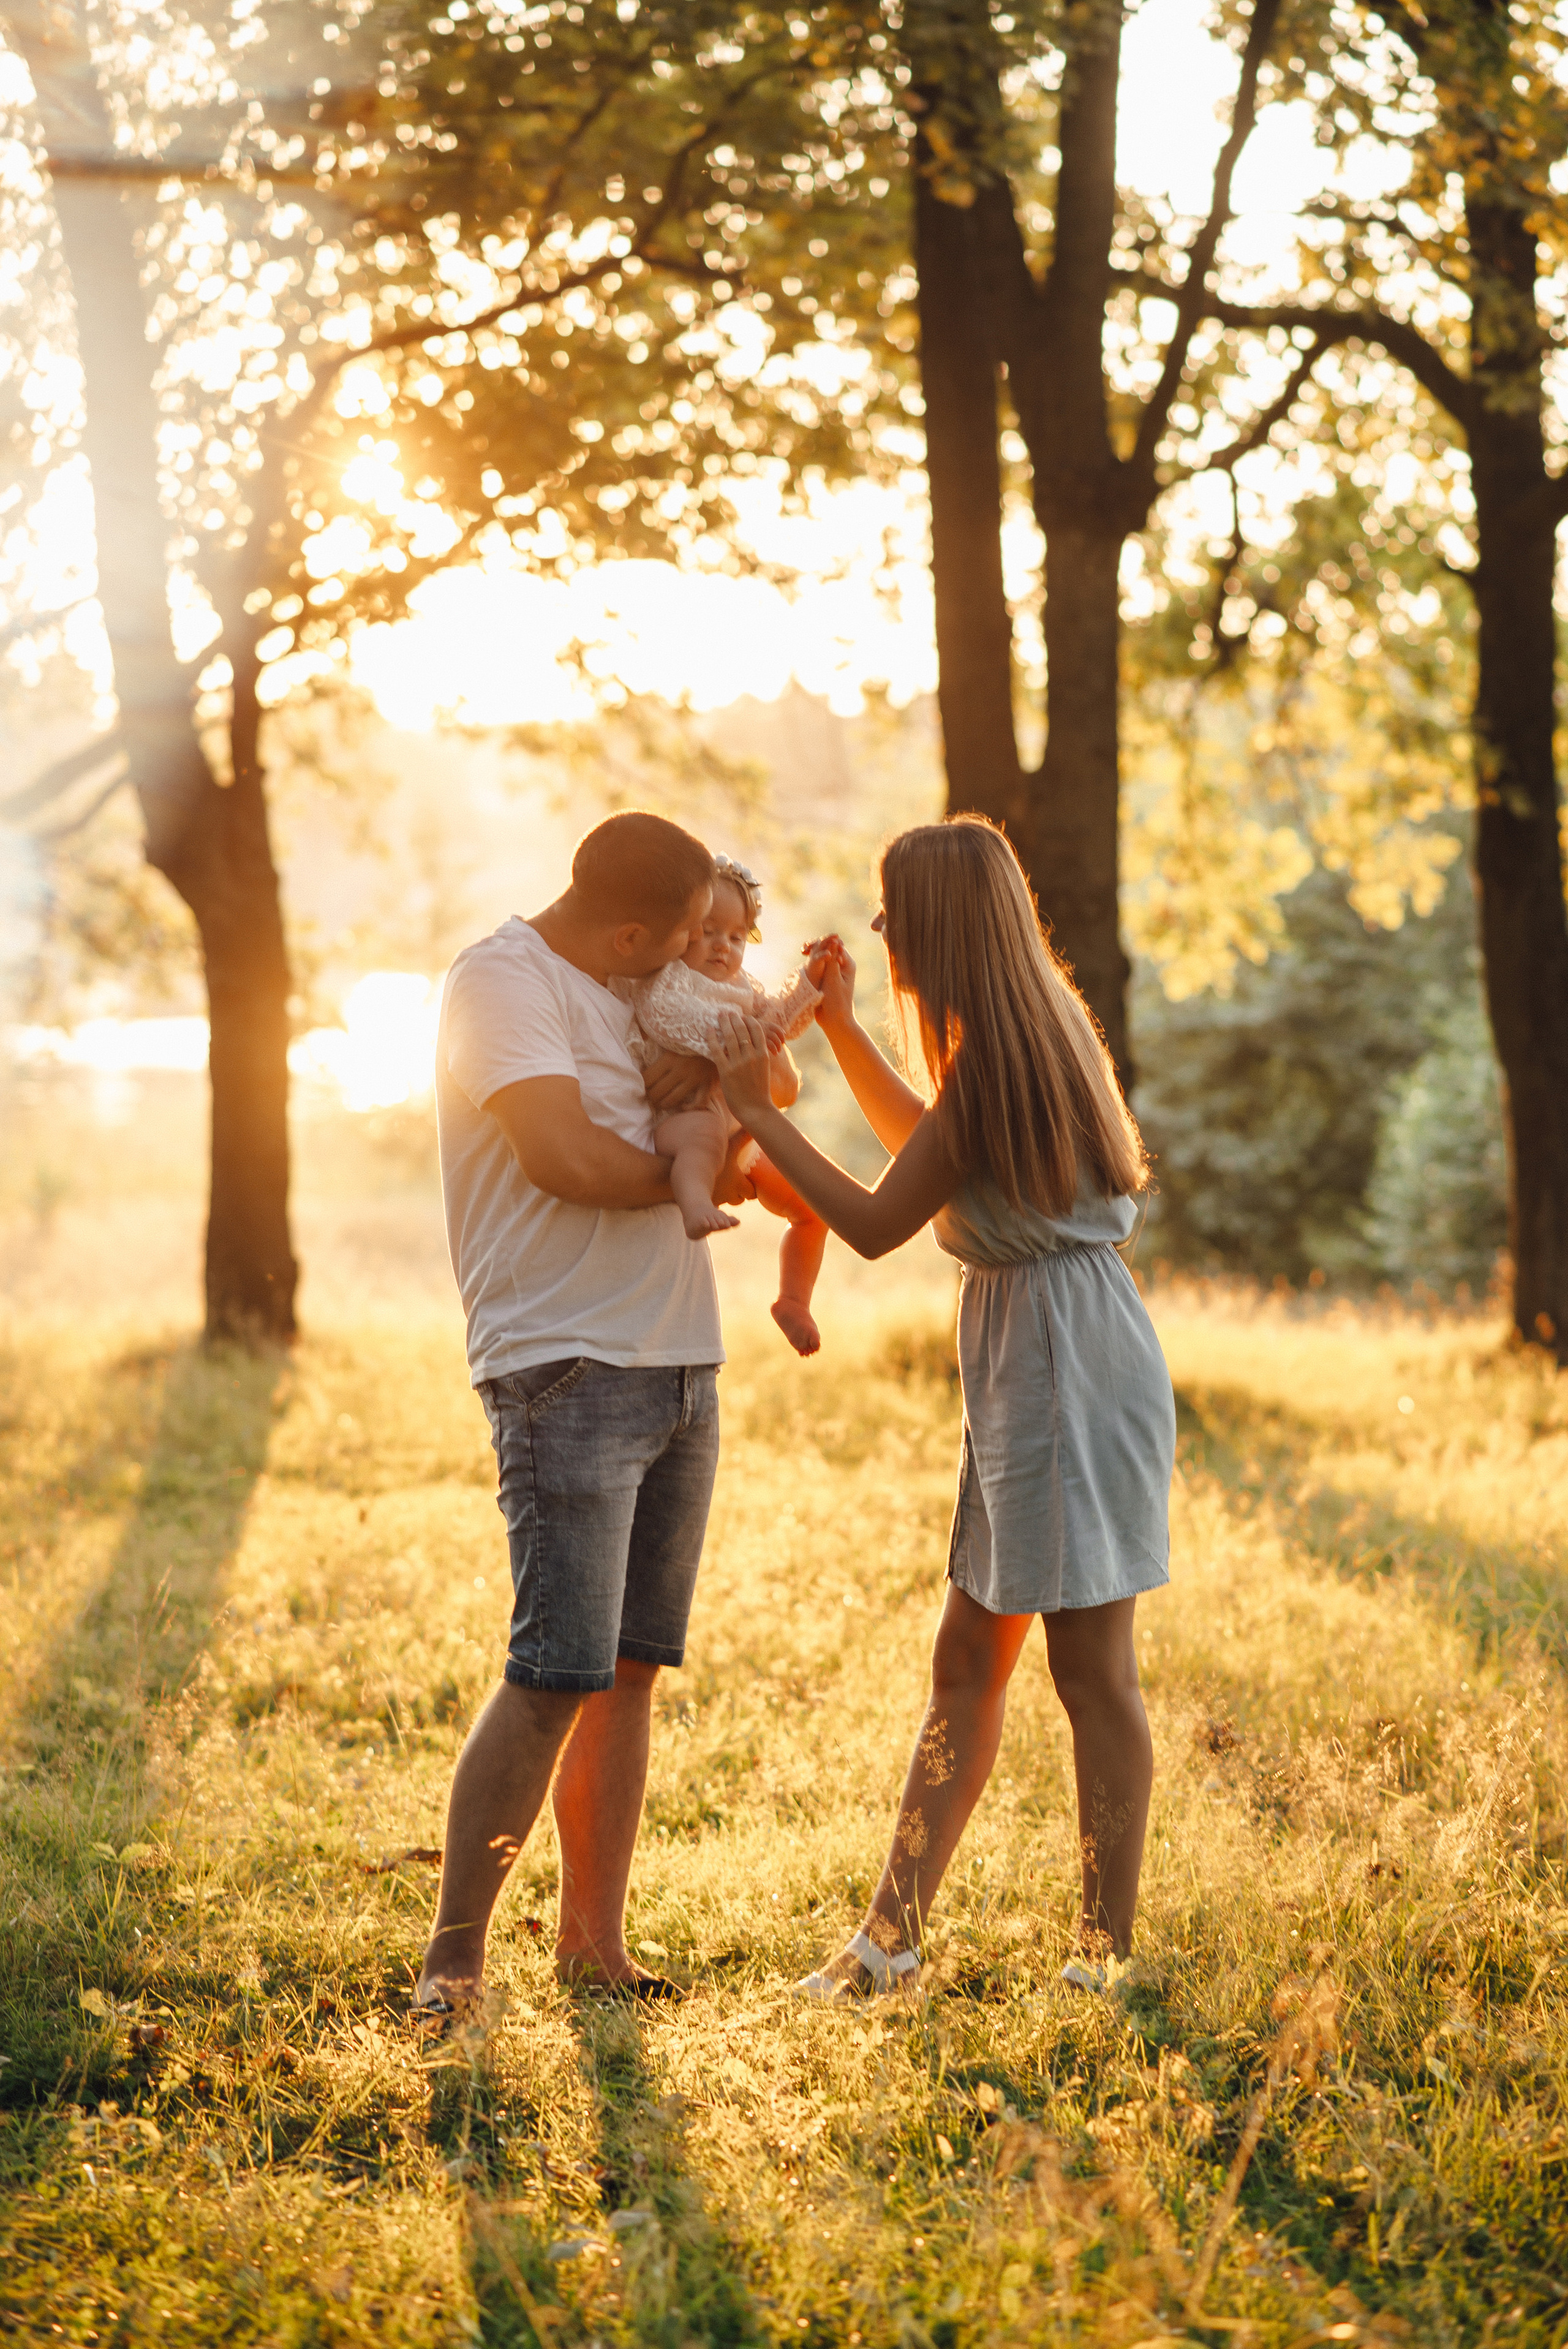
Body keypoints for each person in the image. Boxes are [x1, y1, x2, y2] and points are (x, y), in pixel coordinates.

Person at [709, 815, 1177, 1998]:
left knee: (1091, 1670)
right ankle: (891, 1939)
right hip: (1038, 1358)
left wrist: (757, 1113)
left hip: (1065, 1364)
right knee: (969, 1654)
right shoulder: (1013, 1039)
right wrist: (844, 1028)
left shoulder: (1008, 1056)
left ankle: (1105, 1957)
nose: (876, 924)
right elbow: (928, 1148)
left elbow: (874, 1222)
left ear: (942, 920)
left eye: (891, 906)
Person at [413, 809, 750, 2016]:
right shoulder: (500, 985)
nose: (688, 953)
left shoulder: (646, 986)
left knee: (628, 1670)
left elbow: (757, 1093)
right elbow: (559, 1156)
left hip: (675, 1356)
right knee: (553, 1670)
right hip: (563, 1359)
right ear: (624, 928)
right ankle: (452, 1965)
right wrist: (690, 1173)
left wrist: (727, 1119)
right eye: (673, 936)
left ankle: (591, 1947)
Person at [620, 854, 831, 1355]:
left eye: (737, 937)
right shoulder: (669, 980)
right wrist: (739, 1044)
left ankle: (793, 1300)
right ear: (682, 930)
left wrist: (812, 983)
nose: (724, 946)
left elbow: (781, 1025)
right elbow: (667, 1019)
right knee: (705, 1138)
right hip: (686, 1119)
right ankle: (695, 1202)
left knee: (812, 1206)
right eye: (710, 930)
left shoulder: (742, 988)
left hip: (744, 1130)